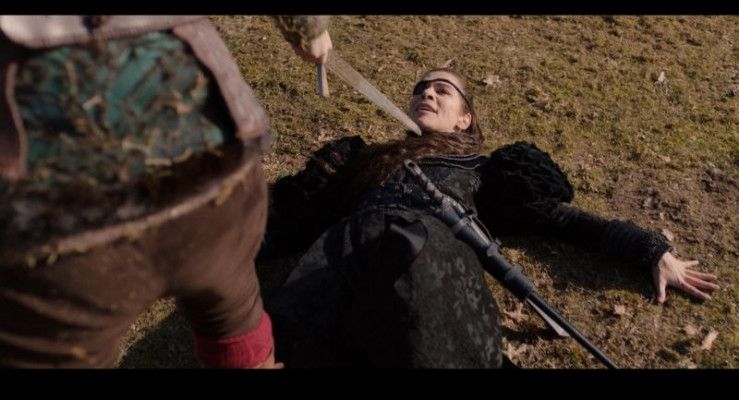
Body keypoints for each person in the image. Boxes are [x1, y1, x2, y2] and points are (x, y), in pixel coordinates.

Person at [262, 68, 720, 368]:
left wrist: (649, 250)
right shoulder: (363, 162)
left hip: (429, 258)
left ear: (464, 120)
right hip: (346, 255)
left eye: (443, 90)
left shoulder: (484, 172)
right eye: (421, 88)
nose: (427, 92)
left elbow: (563, 222)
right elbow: (294, 224)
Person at [0, 15, 331, 368]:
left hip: (64, 234)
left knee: (54, 346)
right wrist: (309, 30)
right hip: (216, 173)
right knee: (232, 302)